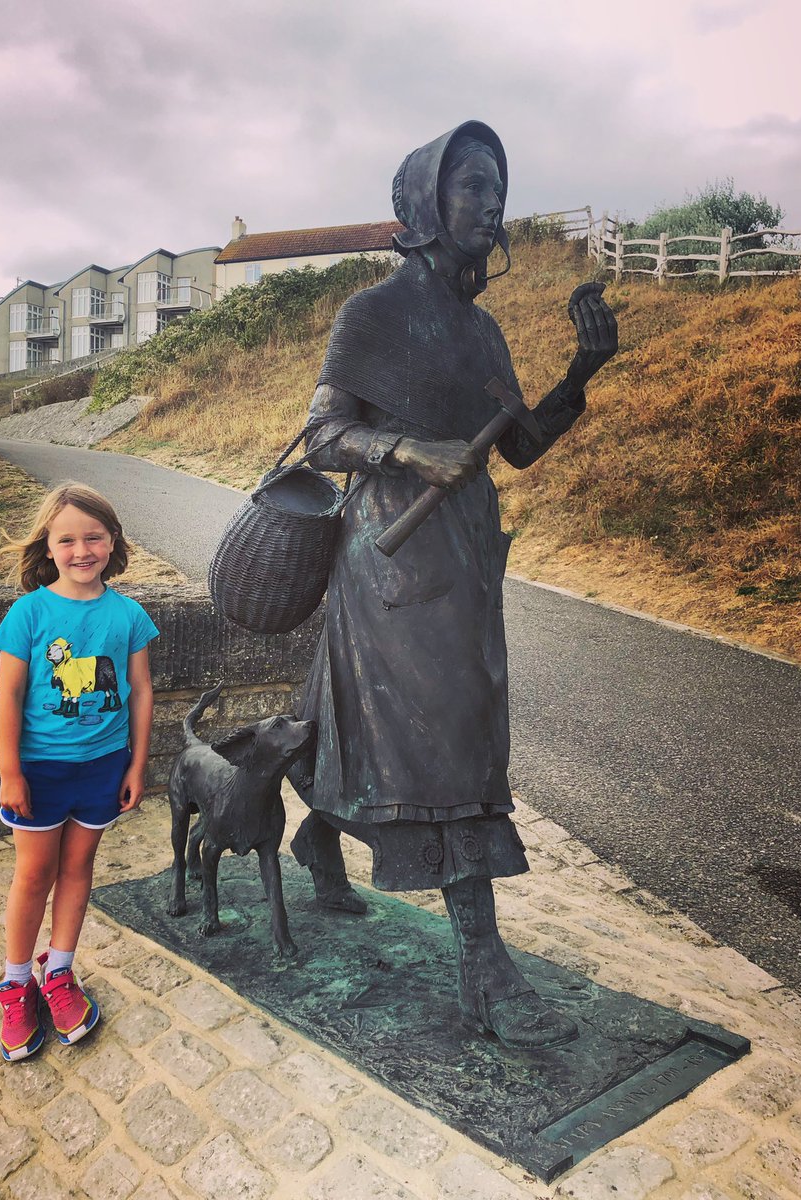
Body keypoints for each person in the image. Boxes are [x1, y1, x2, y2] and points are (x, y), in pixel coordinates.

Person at [289, 121, 618, 1050]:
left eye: (498, 188)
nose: (492, 203)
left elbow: (521, 445)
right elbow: (323, 436)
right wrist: (408, 449)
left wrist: (581, 372)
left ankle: (319, 831)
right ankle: (485, 964)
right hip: (392, 556)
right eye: (473, 185)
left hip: (466, 553)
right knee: (442, 740)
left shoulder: (481, 330)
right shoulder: (372, 314)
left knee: (448, 725)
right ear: (428, 202)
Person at [0, 483, 158, 1060]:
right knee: (34, 874)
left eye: (94, 537)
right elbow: (9, 697)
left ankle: (58, 971)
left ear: (112, 542)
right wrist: (11, 772)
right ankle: (16, 983)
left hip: (103, 767)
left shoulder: (130, 615)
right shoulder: (29, 612)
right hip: (40, 770)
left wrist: (136, 763)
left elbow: (141, 691)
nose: (82, 550)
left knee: (78, 867)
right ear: (48, 546)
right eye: (67, 540)